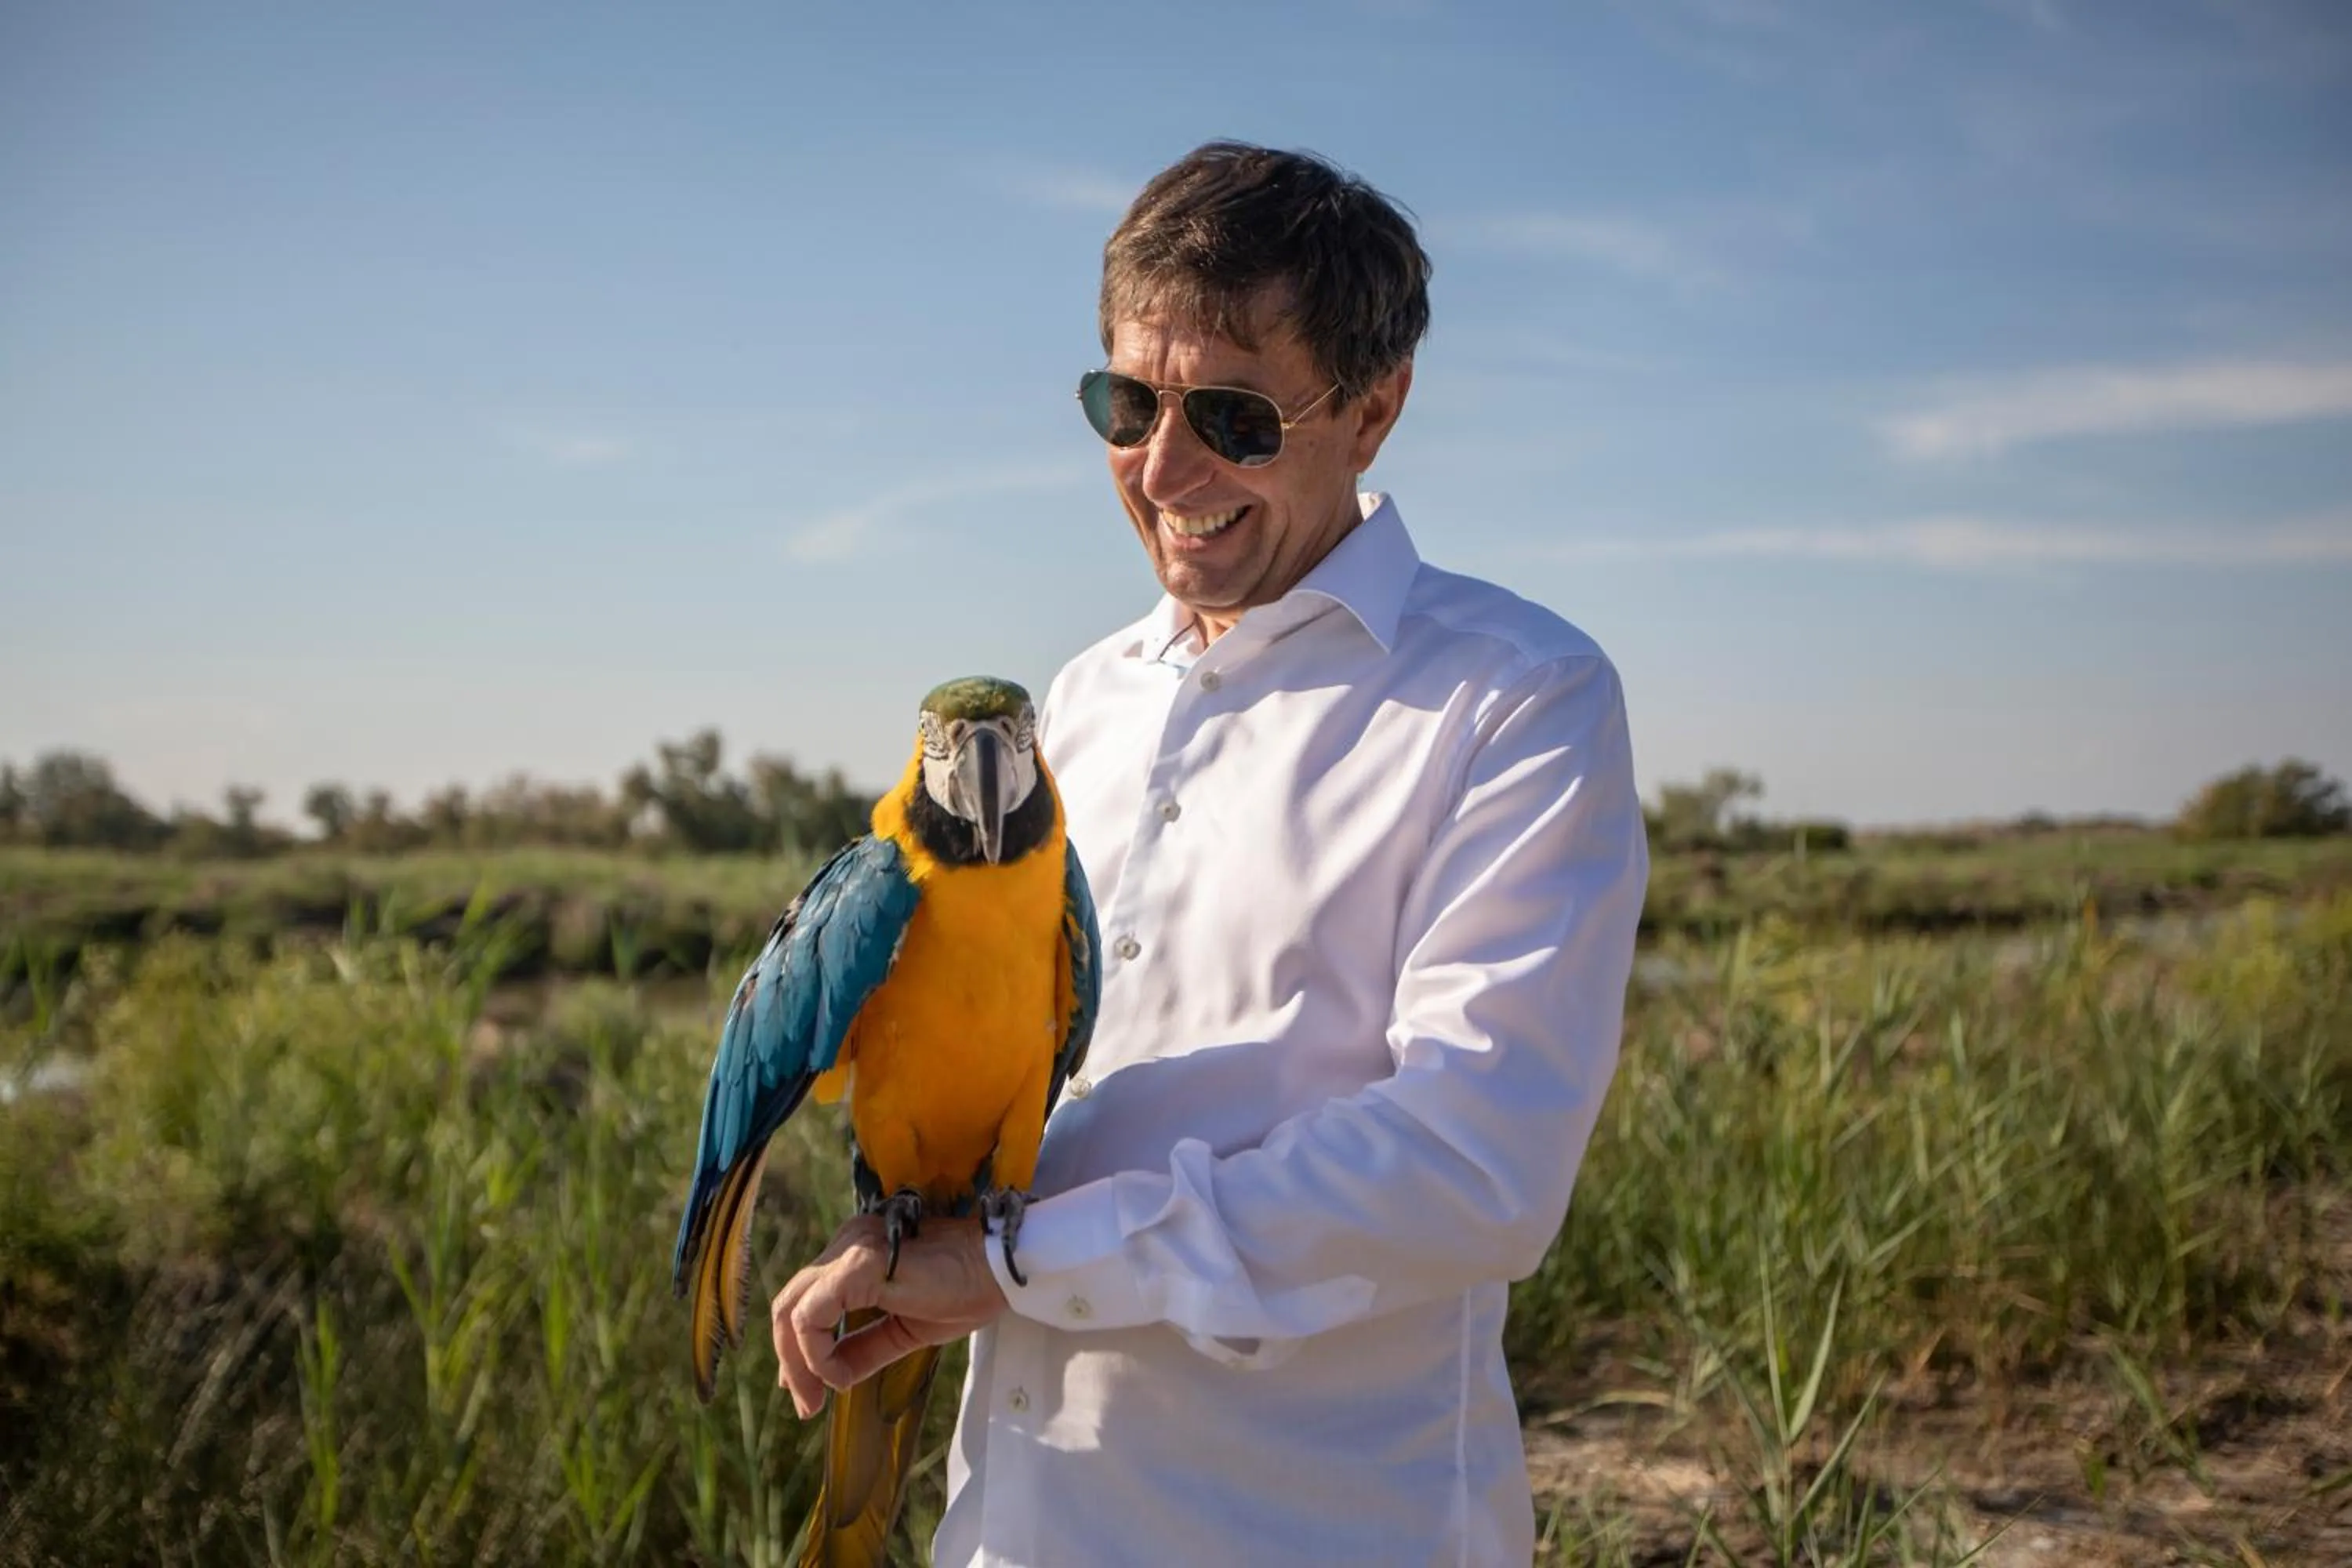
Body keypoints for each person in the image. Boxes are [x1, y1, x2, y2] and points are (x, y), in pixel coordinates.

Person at [770, 140, 1650, 1566]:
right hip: (1020, 1524)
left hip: (1317, 1526)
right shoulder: (1074, 705)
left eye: (1231, 417)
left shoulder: (1517, 698)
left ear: (1376, 410)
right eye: (1127, 402)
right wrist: (915, 1237)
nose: (1161, 468)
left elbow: (1471, 1163)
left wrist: (1016, 1266)